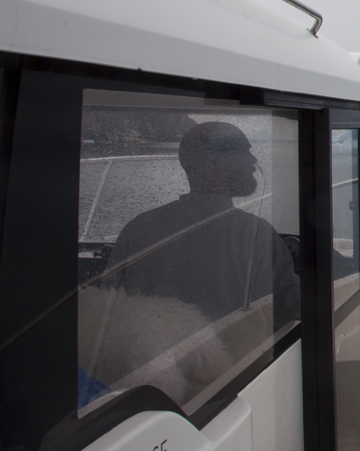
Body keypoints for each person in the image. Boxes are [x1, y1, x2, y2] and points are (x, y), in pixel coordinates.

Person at [105, 121, 300, 329]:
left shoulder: (137, 228)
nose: (253, 160)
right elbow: (287, 310)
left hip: (150, 358)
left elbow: (110, 305)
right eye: (243, 152)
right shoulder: (254, 234)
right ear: (213, 161)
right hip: (235, 358)